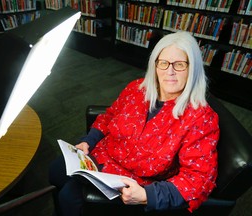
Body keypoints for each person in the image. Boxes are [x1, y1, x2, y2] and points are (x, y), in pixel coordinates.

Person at [49, 31, 220, 216]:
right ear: (155, 65)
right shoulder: (137, 88)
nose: (169, 72)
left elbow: (198, 179)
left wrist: (148, 195)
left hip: (133, 181)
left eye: (179, 65)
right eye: (163, 63)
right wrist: (89, 140)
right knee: (55, 171)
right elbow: (109, 116)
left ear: (192, 68)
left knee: (69, 196)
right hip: (102, 155)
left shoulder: (201, 118)